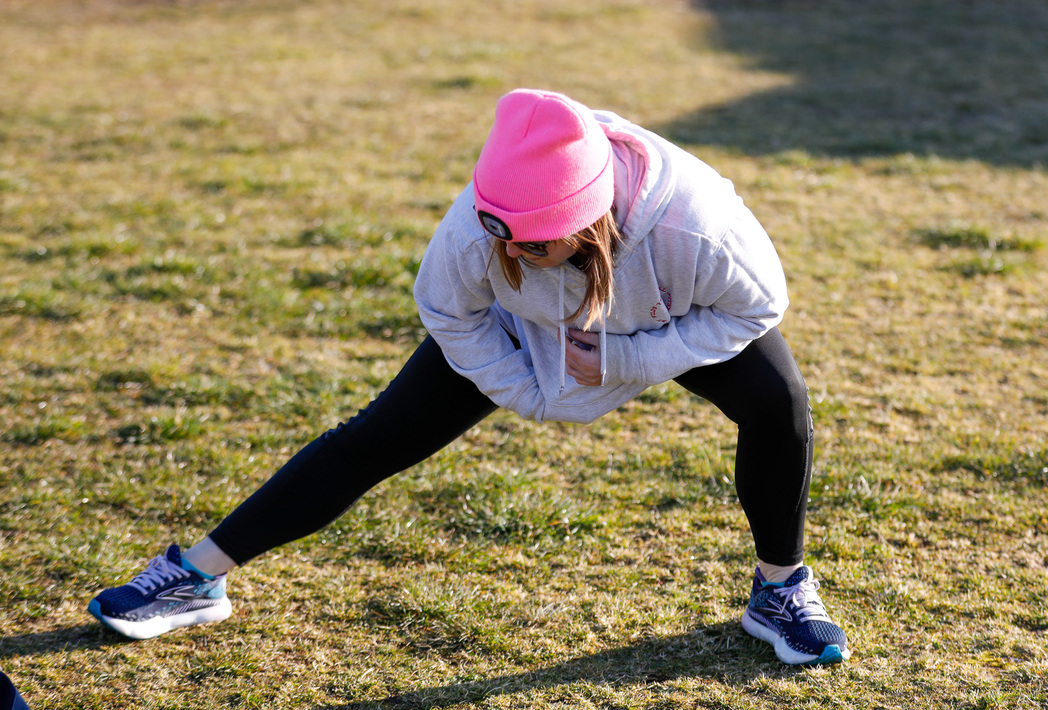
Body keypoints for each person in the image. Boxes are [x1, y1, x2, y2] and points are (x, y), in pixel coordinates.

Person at [88, 89, 849, 665]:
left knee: (778, 403)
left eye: (531, 245)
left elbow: (759, 308)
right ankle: (196, 578)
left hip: (660, 310)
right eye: (497, 236)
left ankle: (779, 591)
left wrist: (633, 360)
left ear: (585, 222)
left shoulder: (697, 227)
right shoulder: (480, 231)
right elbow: (448, 314)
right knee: (373, 439)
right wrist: (523, 388)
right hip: (522, 328)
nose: (508, 255)